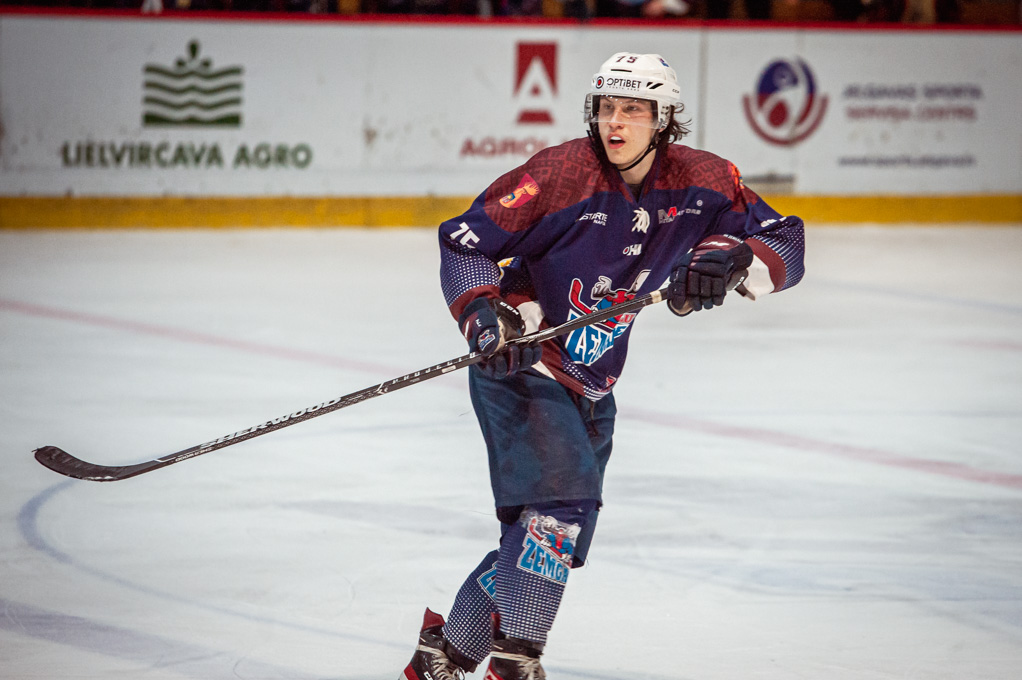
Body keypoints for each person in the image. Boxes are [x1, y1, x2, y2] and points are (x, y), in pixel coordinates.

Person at [401, 52, 805, 680]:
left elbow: (786, 242)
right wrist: (484, 315)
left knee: (550, 539)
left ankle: (442, 657)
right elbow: (464, 242)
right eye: (606, 108)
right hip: (524, 362)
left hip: (594, 380)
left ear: (663, 118)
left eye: (633, 110)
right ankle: (516, 662)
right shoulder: (559, 173)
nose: (615, 122)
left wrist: (730, 259)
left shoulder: (706, 179)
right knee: (558, 512)